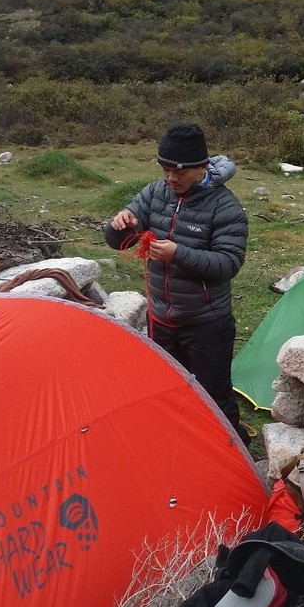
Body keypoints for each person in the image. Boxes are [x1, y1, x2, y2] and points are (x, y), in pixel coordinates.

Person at [105, 121, 249, 444]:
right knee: (167, 388)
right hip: (161, 319)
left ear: (201, 167)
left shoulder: (225, 207)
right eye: (166, 169)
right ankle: (175, 448)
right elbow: (119, 240)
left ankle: (232, 454)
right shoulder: (156, 193)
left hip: (206, 324)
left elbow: (229, 263)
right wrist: (119, 224)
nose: (172, 178)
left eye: (180, 171)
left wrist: (178, 254)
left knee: (214, 398)